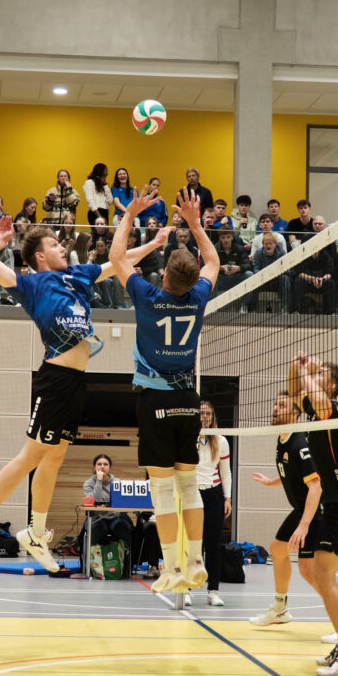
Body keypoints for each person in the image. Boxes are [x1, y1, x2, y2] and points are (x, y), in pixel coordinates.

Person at [0, 216, 167, 572]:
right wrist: (1, 241)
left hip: (76, 382)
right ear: (39, 256)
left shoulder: (79, 274)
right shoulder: (31, 284)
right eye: (53, 244)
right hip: (54, 379)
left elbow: (118, 261)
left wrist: (154, 244)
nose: (61, 247)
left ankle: (36, 533)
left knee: (54, 458)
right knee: (30, 457)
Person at [109, 187, 219, 594]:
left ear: (166, 277)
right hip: (189, 401)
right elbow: (213, 261)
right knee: (189, 486)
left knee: (161, 489)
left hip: (155, 400)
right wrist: (195, 223)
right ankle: (196, 562)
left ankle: (172, 568)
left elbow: (117, 257)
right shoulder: (198, 297)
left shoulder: (148, 295)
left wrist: (131, 214)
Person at [288, 352, 338, 676]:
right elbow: (295, 392)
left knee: (323, 576)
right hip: (336, 506)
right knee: (322, 575)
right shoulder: (316, 409)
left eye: (322, 373)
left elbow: (311, 392)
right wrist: (297, 368)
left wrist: (309, 371)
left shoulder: (331, 409)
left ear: (332, 385)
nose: (315, 375)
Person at [250, 391, 329, 630]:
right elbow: (292, 473)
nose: (275, 408)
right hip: (302, 509)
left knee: (308, 569)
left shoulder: (300, 443)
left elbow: (315, 486)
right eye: (275, 403)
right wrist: (271, 482)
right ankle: (280, 609)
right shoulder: (283, 439)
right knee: (277, 550)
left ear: (295, 413)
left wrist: (304, 525)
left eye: (282, 405)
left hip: (314, 512)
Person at [194, 400, 231, 607]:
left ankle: (213, 591)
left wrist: (228, 498)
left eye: (208, 413)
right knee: (192, 545)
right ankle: (187, 589)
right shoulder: (188, 437)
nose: (205, 416)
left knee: (213, 545)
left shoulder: (221, 440)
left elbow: (225, 472)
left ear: (213, 416)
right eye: (201, 413)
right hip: (193, 493)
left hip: (214, 494)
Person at [290, 217, 335, 314]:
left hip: (320, 281)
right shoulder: (303, 256)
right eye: (315, 223)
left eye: (320, 224)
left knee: (331, 283)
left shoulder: (325, 255)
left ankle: (329, 313)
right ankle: (295, 311)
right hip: (307, 281)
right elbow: (298, 272)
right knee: (298, 282)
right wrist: (311, 279)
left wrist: (322, 279)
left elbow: (330, 272)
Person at [246, 232, 291, 313]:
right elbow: (256, 268)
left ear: (275, 244)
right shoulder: (258, 253)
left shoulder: (281, 252)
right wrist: (262, 275)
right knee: (253, 279)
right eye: (266, 244)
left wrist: (276, 274)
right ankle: (252, 310)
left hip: (277, 280)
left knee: (285, 278)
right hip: (262, 280)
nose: (268, 246)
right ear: (263, 245)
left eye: (270, 243)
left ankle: (284, 309)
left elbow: (286, 269)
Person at [214, 229, 252, 296]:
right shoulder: (214, 249)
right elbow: (209, 266)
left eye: (228, 237)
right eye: (223, 237)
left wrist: (238, 268)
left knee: (249, 274)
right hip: (221, 278)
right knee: (211, 278)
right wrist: (221, 268)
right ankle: (212, 302)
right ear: (219, 238)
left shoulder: (240, 248)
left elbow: (248, 264)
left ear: (232, 237)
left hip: (236, 278)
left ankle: (246, 302)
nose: (226, 240)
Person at [83, 163, 113, 227]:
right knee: (96, 231)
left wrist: (105, 185)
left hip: (105, 212)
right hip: (95, 212)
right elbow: (90, 200)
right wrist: (99, 216)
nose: (105, 177)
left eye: (106, 176)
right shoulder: (89, 182)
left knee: (105, 232)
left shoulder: (104, 185)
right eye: (103, 175)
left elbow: (110, 201)